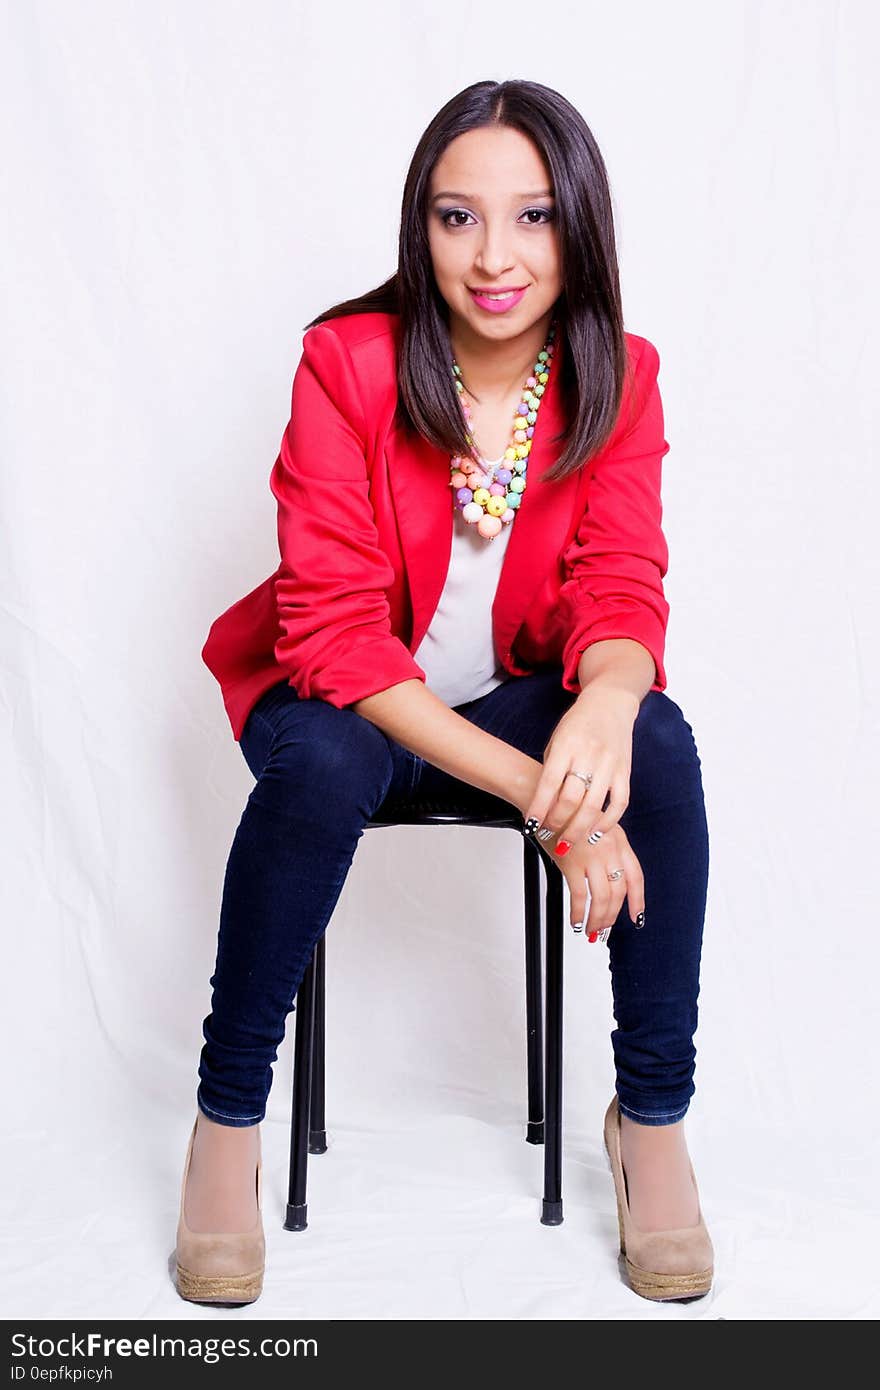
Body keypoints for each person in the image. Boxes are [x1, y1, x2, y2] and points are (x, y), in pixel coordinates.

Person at [174, 77, 713, 1308]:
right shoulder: (347, 362)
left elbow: (624, 583)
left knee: (663, 746)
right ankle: (225, 1118)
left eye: (531, 218)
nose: (494, 256)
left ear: (579, 227)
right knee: (316, 769)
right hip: (345, 701)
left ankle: (655, 1120)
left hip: (507, 693)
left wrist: (607, 700)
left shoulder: (619, 378)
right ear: (417, 230)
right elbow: (335, 633)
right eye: (456, 217)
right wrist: (550, 798)